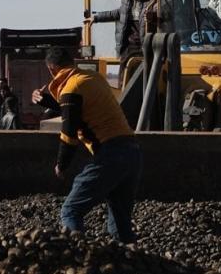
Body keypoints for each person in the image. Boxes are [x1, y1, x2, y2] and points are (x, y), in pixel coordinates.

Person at [31, 47, 142, 243]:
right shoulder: (93, 78)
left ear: (51, 69)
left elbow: (69, 133)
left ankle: (79, 255)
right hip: (132, 151)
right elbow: (79, 110)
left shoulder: (71, 88)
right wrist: (47, 101)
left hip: (110, 154)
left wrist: (62, 164)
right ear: (72, 62)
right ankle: (132, 258)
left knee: (70, 211)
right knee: (120, 223)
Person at [90, 0, 152, 83]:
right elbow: (119, 13)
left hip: (145, 42)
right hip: (129, 43)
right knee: (125, 74)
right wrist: (96, 17)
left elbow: (159, 9)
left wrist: (152, 15)